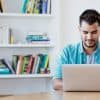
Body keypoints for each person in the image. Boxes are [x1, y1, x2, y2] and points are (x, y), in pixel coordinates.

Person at [53, 9, 100, 90]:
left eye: (94, 32)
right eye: (85, 32)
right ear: (79, 30)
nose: (89, 37)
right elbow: (56, 84)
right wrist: (85, 87)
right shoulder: (67, 52)